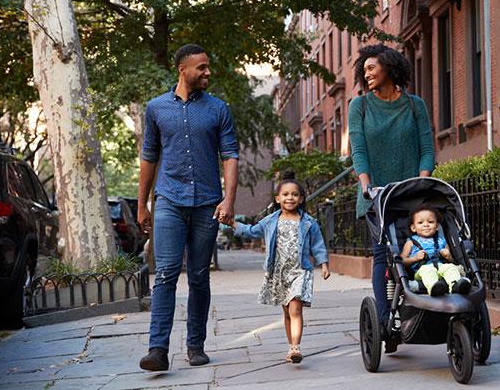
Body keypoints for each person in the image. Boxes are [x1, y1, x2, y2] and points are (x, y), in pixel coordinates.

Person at [138, 44, 239, 371]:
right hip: (168, 200)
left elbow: (231, 156)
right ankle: (158, 349)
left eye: (208, 67)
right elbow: (149, 157)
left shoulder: (218, 109)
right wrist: (142, 205)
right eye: (202, 67)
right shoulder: (156, 108)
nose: (208, 72)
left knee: (198, 276)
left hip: (207, 204)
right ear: (183, 69)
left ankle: (195, 345)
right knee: (165, 273)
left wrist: (229, 199)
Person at [348, 43, 435, 350]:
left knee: (420, 250)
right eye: (364, 69)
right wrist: (365, 183)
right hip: (377, 196)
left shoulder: (414, 105)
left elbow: (427, 148)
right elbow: (358, 149)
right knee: (383, 257)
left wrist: (423, 182)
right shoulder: (359, 106)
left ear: (389, 67)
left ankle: (419, 311)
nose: (366, 73)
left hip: (412, 196)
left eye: (371, 68)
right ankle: (386, 322)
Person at [232, 173, 330, 364]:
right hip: (278, 273)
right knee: (286, 312)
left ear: (301, 199)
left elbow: (318, 244)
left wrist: (324, 264)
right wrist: (232, 223)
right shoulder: (270, 220)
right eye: (285, 194)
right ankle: (291, 347)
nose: (290, 197)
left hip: (300, 271)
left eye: (294, 194)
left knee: (295, 309)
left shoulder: (308, 222)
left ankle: (296, 346)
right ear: (278, 199)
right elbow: (252, 231)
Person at [401, 206, 471, 296]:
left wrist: (448, 256)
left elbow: (452, 261)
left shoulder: (442, 241)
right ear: (413, 228)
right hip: (421, 271)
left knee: (451, 267)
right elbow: (402, 261)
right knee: (428, 270)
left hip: (440, 267)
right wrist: (414, 258)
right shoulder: (410, 242)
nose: (426, 224)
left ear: (437, 226)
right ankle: (434, 288)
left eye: (430, 222)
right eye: (420, 222)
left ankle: (456, 286)